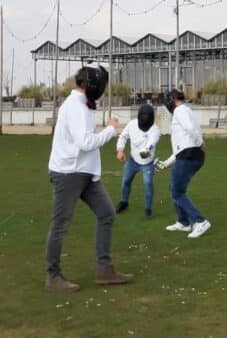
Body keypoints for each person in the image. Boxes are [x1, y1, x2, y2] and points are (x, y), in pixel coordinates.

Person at [46, 65, 133, 291]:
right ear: (91, 86)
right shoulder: (75, 107)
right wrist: (110, 130)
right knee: (60, 225)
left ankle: (104, 270)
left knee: (106, 213)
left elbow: (84, 140)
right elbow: (85, 143)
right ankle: (53, 276)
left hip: (85, 173)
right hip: (68, 173)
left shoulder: (81, 106)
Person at [155, 89, 211, 239]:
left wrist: (200, 143)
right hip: (188, 154)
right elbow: (182, 146)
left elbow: (191, 131)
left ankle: (200, 221)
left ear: (172, 101)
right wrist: (166, 163)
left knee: (177, 192)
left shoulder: (180, 111)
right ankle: (183, 222)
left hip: (190, 155)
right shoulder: (186, 110)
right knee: (174, 188)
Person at [115, 104, 161, 218]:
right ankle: (124, 202)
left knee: (148, 184)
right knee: (125, 181)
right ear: (139, 116)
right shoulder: (132, 124)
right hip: (132, 160)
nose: (145, 118)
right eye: (143, 115)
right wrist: (120, 150)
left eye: (147, 116)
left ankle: (148, 208)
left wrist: (146, 151)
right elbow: (123, 136)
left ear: (151, 117)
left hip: (147, 163)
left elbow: (151, 143)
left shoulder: (155, 130)